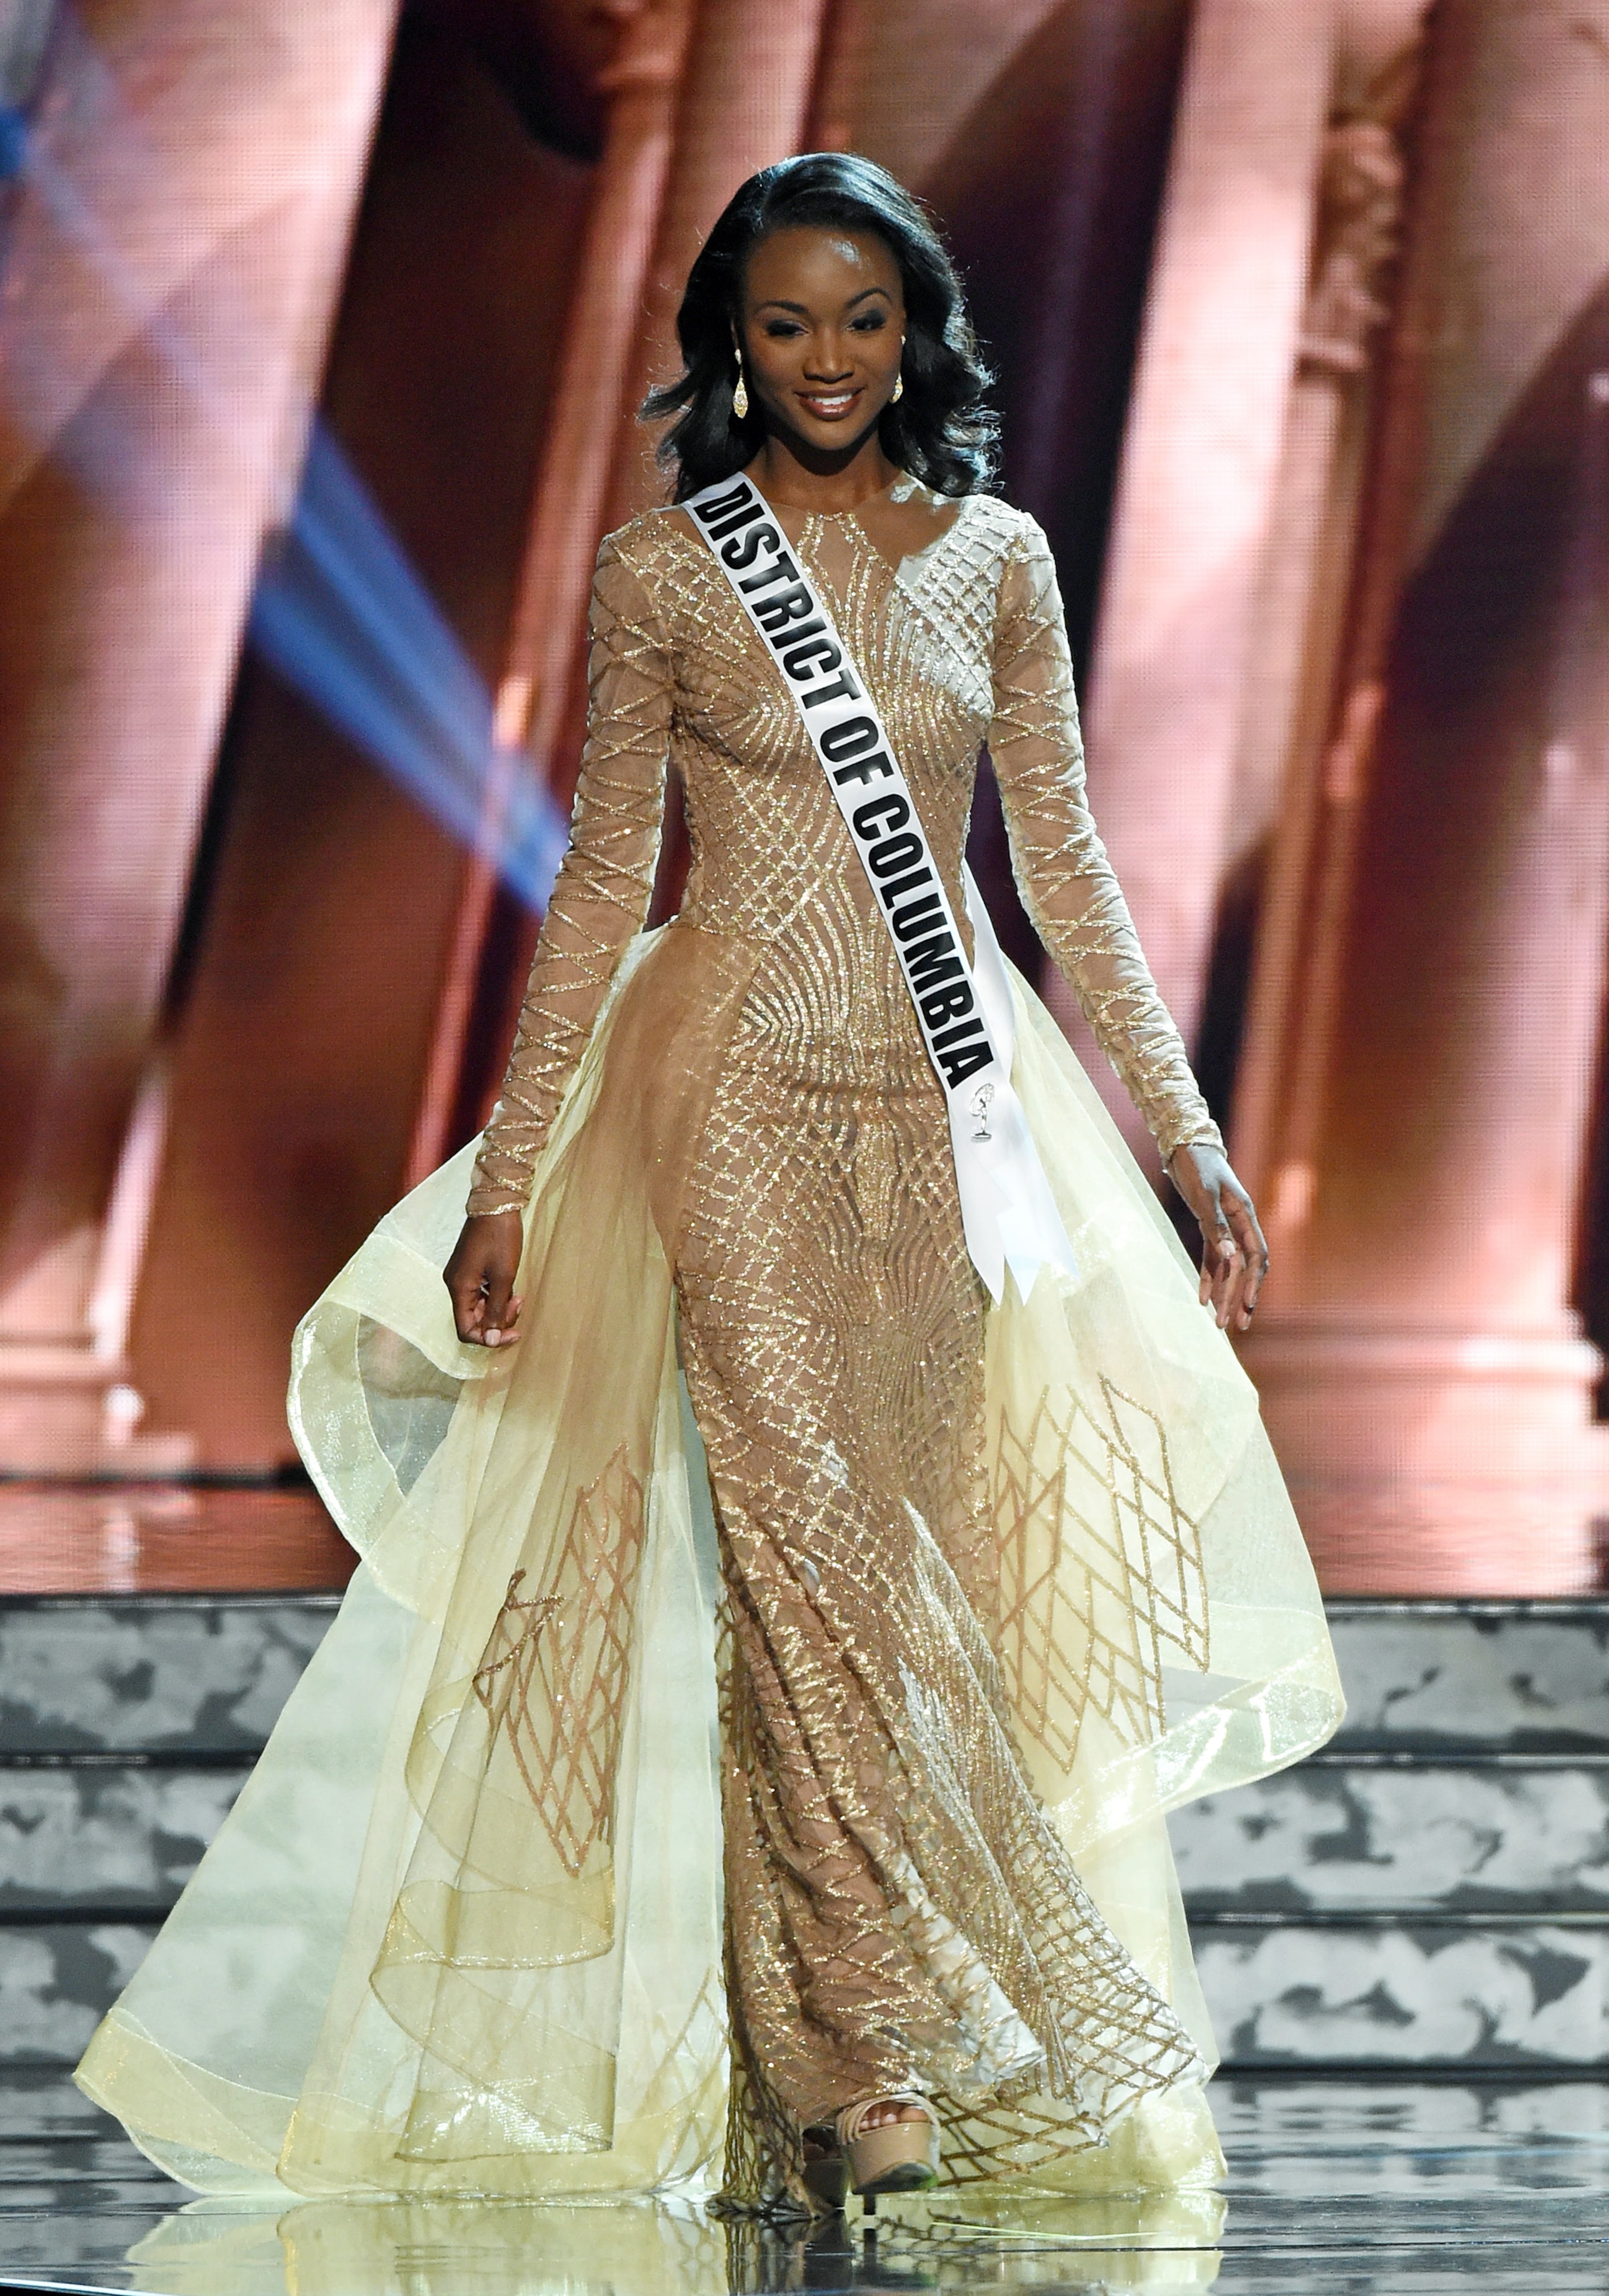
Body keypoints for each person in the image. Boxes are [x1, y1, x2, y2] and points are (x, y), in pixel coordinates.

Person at [77, 154, 1341, 2222]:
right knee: (805, 1540)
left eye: (862, 320)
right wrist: (507, 1171)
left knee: (880, 1572)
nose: (828, 360)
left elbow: (1070, 869)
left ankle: (800, 2066)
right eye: (784, 324)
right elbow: (598, 879)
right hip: (729, 1092)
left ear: (915, 329)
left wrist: (1189, 1134)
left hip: (951, 1114)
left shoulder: (998, 558)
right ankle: (896, 2048)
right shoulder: (672, 569)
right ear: (729, 347)